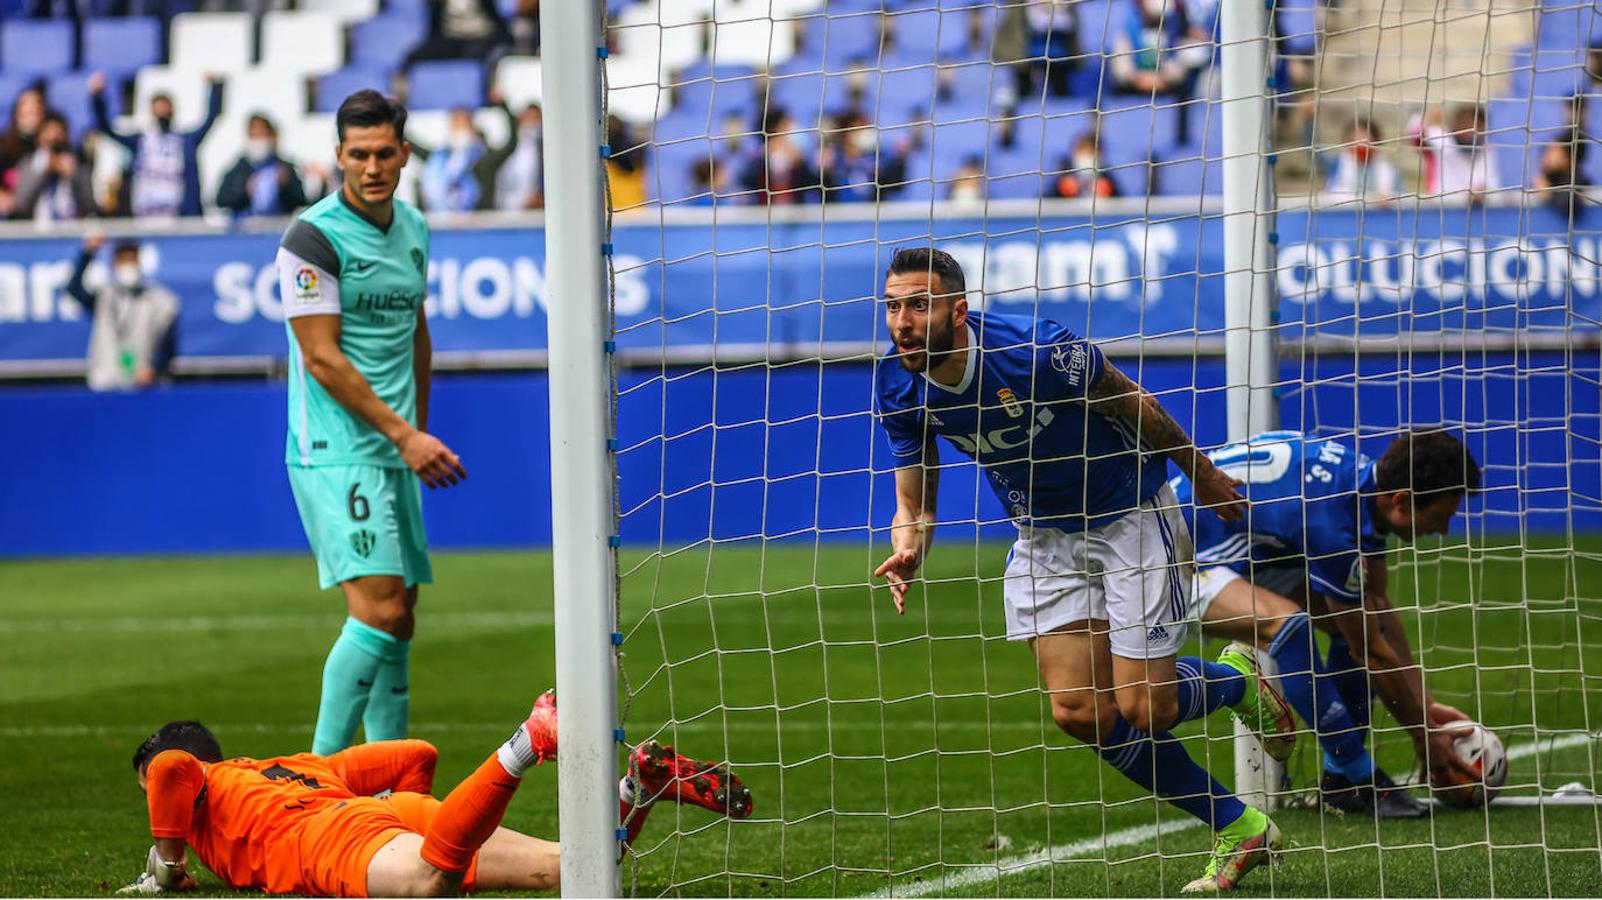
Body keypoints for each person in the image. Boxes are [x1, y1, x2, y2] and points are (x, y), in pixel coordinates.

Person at [870, 248, 1295, 893]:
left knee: (1146, 708)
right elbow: (915, 504)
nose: (902, 321)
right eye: (894, 305)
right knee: (1079, 711)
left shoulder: (1037, 352)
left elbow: (1134, 402)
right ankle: (1239, 826)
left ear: (958, 310)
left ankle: (1235, 682)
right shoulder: (898, 383)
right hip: (1043, 538)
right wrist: (910, 549)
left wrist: (1202, 474)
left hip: (1130, 516)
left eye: (919, 304)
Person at [275, 89, 468, 755]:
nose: (372, 166)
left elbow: (416, 331)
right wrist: (403, 433)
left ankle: (391, 782)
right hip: (336, 446)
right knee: (378, 608)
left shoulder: (414, 227)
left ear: (404, 155)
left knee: (402, 615)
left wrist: (416, 428)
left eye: (384, 152)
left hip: (393, 443)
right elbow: (321, 359)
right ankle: (315, 785)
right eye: (358, 154)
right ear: (338, 157)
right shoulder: (311, 238)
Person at [119, 694, 753, 896]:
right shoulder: (291, 765)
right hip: (388, 815)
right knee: (578, 870)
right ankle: (638, 786)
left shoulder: (203, 779)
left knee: (427, 883)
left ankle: (528, 740)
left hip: (325, 840)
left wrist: (167, 869)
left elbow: (172, 766)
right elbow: (413, 756)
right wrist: (417, 826)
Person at [1174, 430, 1484, 818]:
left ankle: (1341, 784)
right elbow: (1370, 650)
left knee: (1348, 623)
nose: (1443, 530)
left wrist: (1425, 708)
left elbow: (1378, 608)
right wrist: (1424, 736)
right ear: (1402, 502)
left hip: (1239, 544)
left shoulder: (1362, 490)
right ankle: (1360, 778)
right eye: (1441, 517)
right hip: (1170, 555)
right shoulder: (1332, 526)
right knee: (1290, 627)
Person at [89, 71, 223, 218]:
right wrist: (97, 98)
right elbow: (107, 129)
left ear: (173, 111)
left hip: (177, 216)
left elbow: (210, 119)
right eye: (158, 108)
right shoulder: (141, 141)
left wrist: (215, 88)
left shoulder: (184, 141)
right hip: (145, 214)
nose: (162, 112)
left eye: (165, 108)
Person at [63, 234, 180, 391]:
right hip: (105, 383)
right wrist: (88, 253)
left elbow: (168, 344)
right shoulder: (103, 296)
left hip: (142, 385)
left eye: (132, 260)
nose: (128, 265)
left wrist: (154, 368)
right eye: (123, 260)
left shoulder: (160, 300)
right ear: (114, 264)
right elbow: (74, 289)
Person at [11, 110, 98, 222]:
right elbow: (20, 205)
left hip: (71, 230)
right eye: (48, 134)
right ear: (39, 138)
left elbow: (89, 205)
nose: (53, 140)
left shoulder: (79, 164)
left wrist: (74, 175)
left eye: (58, 135)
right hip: (37, 232)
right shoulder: (28, 164)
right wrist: (43, 170)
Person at [217, 114, 308, 218]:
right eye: (254, 135)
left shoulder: (285, 168)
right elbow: (221, 201)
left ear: (271, 136)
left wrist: (285, 186)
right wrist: (245, 191)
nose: (258, 140)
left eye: (261, 134)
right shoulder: (238, 170)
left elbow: (300, 201)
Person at [1410, 104, 1498, 204]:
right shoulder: (1443, 143)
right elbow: (1415, 132)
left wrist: (1482, 191)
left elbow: (1493, 183)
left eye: (1474, 124)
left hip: (1478, 211)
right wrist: (1429, 117)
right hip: (1442, 208)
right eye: (1463, 123)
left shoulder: (1489, 151)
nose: (1467, 128)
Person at [403, 0, 510, 68]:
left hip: (481, 37)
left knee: (476, 57)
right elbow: (434, 27)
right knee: (413, 57)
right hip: (449, 38)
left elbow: (495, 18)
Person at [1323, 117, 1400, 204]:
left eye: (1365, 142)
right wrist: (1372, 198)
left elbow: (1401, 197)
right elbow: (1331, 195)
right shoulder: (1338, 165)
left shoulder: (1388, 168)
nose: (1361, 147)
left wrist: (1388, 198)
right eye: (1355, 142)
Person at [0, 84, 46, 215]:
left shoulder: (49, 145)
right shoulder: (4, 145)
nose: (31, 119)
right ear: (16, 114)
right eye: (26, 113)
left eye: (36, 113)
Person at [494, 102, 543, 210]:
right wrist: (524, 201)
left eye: (536, 119)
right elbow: (501, 199)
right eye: (528, 119)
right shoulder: (508, 159)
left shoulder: (550, 157)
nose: (532, 124)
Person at [1052, 133, 1119, 199]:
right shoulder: (1065, 174)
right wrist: (1060, 190)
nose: (1086, 157)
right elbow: (1048, 200)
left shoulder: (1106, 176)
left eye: (1090, 153)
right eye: (1082, 152)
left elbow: (1121, 201)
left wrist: (1110, 192)